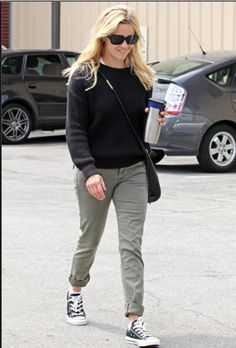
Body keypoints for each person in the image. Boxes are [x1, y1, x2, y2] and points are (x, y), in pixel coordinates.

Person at [65, 4, 166, 347]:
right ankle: (75, 289)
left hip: (134, 170)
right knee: (89, 239)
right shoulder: (84, 76)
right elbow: (76, 131)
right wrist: (89, 170)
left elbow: (144, 134)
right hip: (95, 170)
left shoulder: (142, 78)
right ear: (103, 37)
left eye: (131, 38)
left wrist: (155, 126)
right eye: (117, 38)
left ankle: (134, 319)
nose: (124, 44)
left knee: (130, 245)